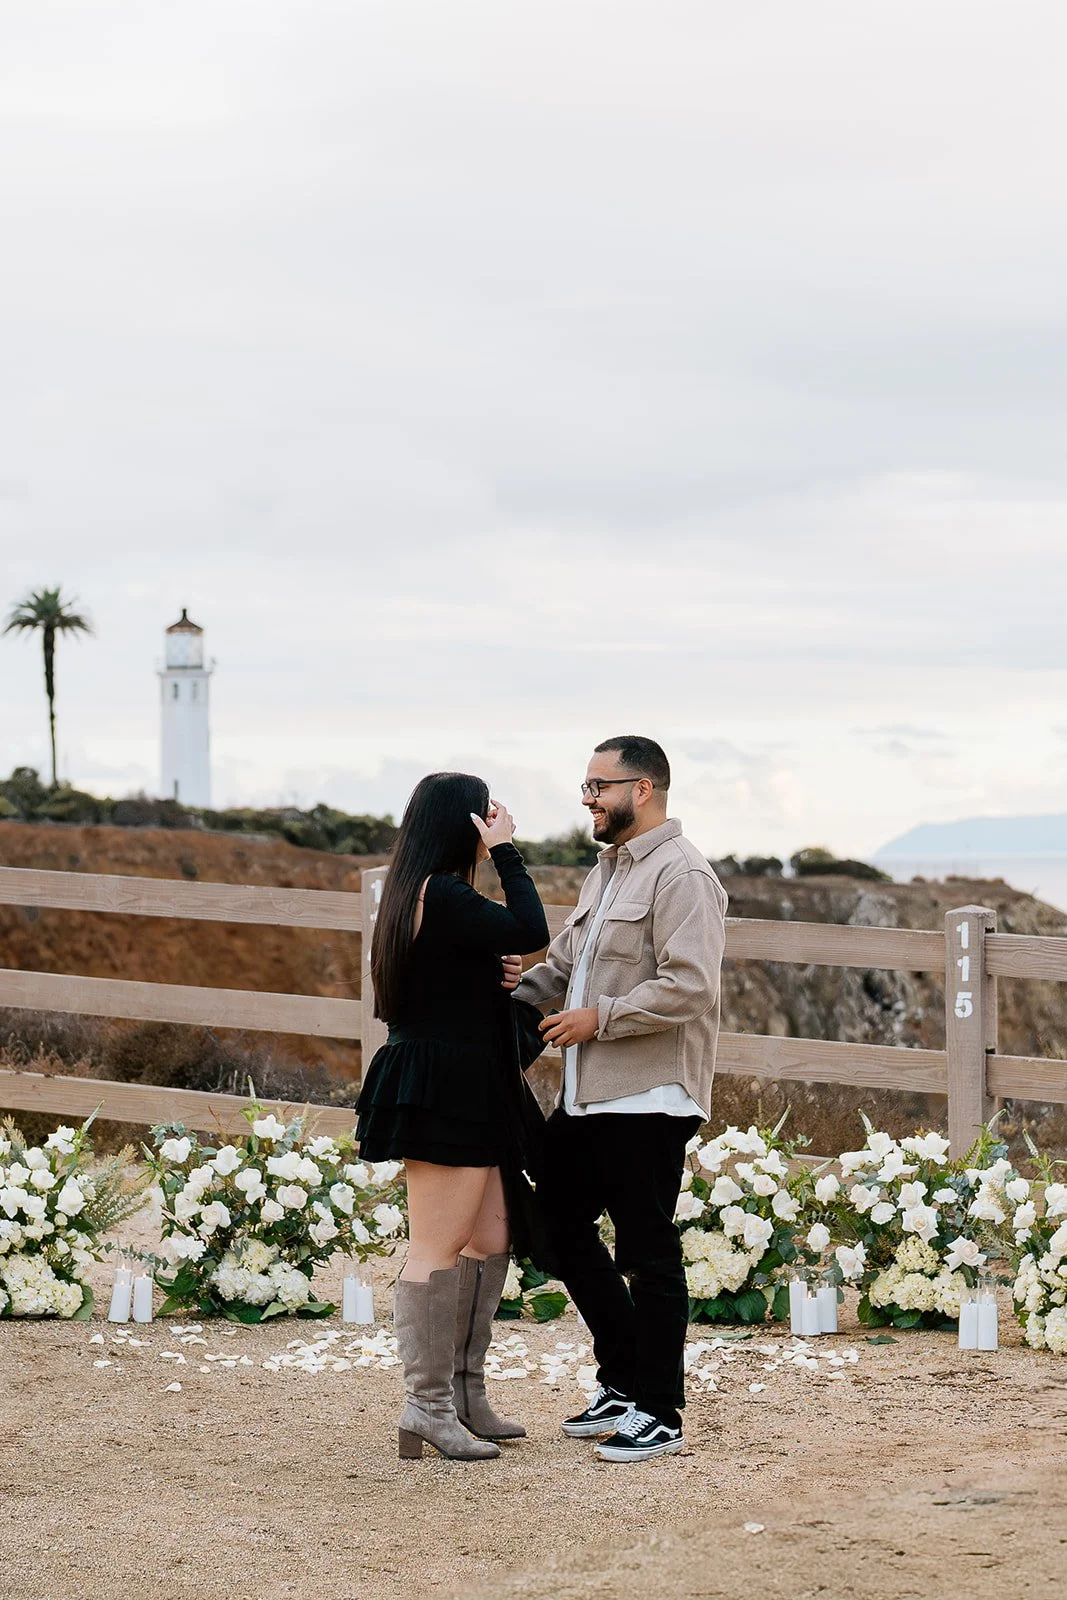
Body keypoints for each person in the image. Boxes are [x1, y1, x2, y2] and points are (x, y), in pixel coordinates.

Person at [513, 736, 726, 1462]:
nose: (587, 799)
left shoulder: (684, 874)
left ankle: (659, 1412)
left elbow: (690, 986)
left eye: (598, 786)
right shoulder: (605, 871)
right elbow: (564, 968)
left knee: (647, 1251)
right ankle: (624, 1378)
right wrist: (506, 993)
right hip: (587, 1094)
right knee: (555, 1227)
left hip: (650, 1095)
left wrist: (598, 1018)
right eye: (585, 785)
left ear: (643, 789)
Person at [357, 773, 549, 1461]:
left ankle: (464, 1393)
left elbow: (469, 967)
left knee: (490, 1235)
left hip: (466, 1083)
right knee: (435, 1249)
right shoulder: (437, 892)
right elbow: (531, 928)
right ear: (465, 823)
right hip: (444, 1087)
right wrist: (506, 851)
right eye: (485, 816)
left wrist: (498, 973)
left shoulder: (418, 894)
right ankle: (427, 1405)